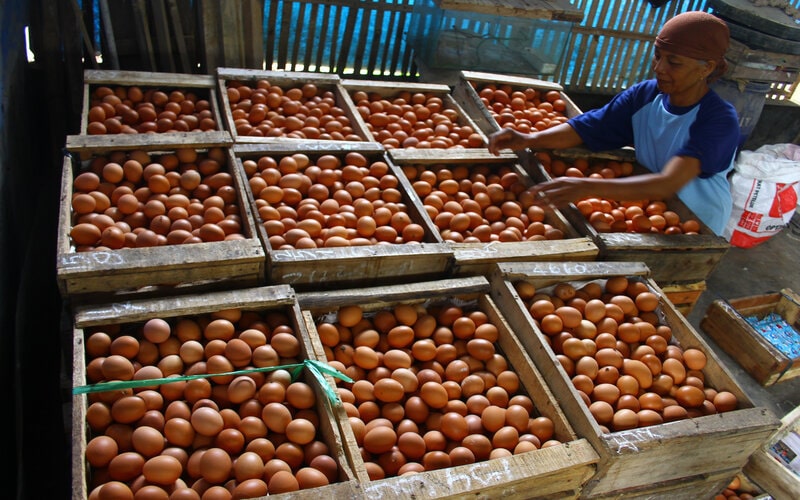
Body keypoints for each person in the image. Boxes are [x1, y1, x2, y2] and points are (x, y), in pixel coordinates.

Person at [487, 11, 740, 236]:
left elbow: (669, 182)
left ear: (706, 68)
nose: (659, 68)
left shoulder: (717, 120)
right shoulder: (645, 96)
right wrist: (529, 139)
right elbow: (588, 127)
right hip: (648, 205)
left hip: (694, 223)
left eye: (673, 62)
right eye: (657, 56)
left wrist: (587, 186)